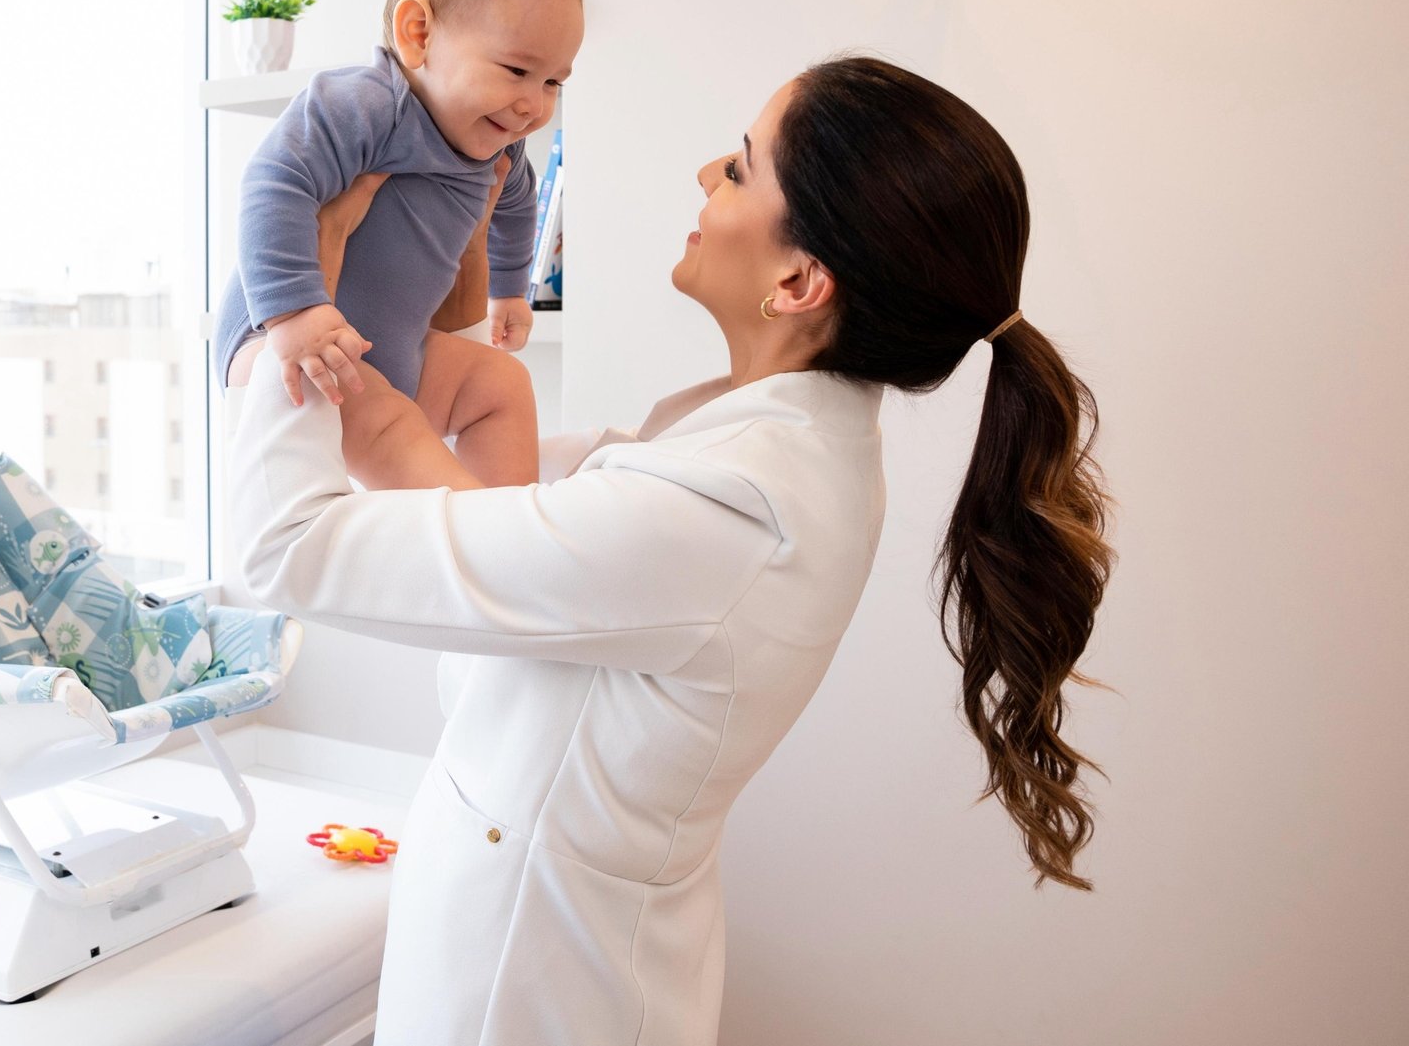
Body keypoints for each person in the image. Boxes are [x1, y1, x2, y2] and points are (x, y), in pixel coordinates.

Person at [227, 55, 1116, 1044]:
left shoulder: (731, 505)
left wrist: (300, 299)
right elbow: (489, 502)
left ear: (799, 281)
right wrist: (377, 330)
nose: (705, 175)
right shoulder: (739, 457)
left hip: (537, 998)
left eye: (740, 166)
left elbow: (285, 549)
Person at [211, 0, 584, 489]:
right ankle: (477, 529)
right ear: (419, 34)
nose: (535, 105)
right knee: (388, 423)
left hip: (395, 353)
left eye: (554, 82)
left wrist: (509, 289)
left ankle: (511, 519)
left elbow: (516, 209)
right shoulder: (367, 105)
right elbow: (273, 183)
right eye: (517, 70)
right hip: (283, 339)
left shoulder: (502, 151)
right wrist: (295, 313)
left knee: (502, 382)